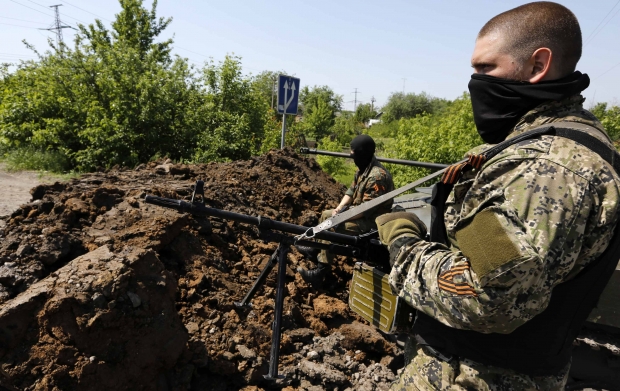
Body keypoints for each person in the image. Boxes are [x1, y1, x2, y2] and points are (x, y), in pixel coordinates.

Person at [375, 2, 620, 390]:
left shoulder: (547, 167)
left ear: (538, 65)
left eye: (486, 68)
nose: (475, 82)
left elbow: (488, 298)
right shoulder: (559, 143)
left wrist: (404, 245)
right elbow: (495, 257)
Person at [297, 134, 395, 284]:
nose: (351, 155)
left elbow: (364, 210)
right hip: (359, 213)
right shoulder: (363, 169)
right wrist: (339, 209)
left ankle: (321, 271)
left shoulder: (377, 177)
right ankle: (315, 249)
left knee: (331, 228)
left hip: (373, 222)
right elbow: (350, 192)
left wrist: (340, 218)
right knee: (325, 215)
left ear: (362, 153)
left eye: (353, 152)